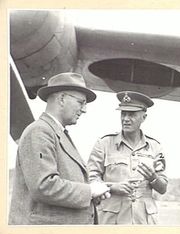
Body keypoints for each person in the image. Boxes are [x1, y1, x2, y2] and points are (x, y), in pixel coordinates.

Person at [9, 72, 110, 225]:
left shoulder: (55, 132)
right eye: (81, 102)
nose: (84, 110)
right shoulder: (39, 131)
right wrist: (89, 191)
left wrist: (91, 193)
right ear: (62, 99)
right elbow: (44, 186)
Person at [87, 91, 168, 224]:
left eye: (132, 114)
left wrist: (153, 178)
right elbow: (90, 179)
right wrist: (111, 188)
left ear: (144, 117)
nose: (125, 119)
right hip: (111, 221)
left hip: (144, 222)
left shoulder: (155, 147)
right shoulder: (104, 143)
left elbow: (163, 188)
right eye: (123, 114)